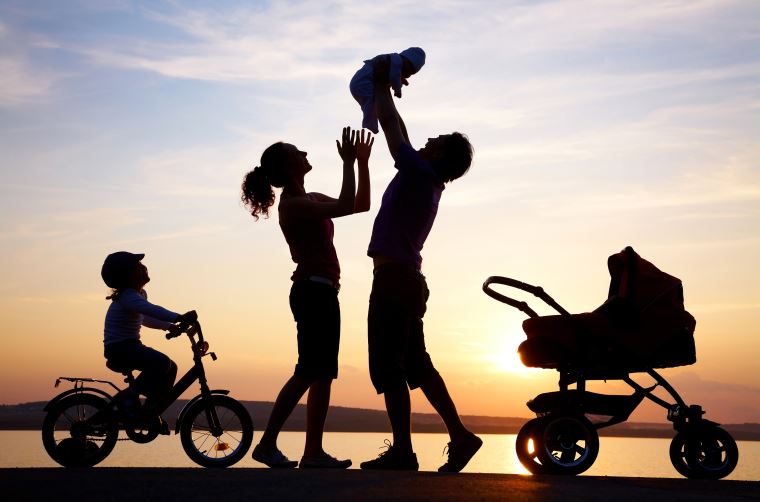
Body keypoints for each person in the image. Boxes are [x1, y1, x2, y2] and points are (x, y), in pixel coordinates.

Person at [359, 80, 481, 473]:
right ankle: (461, 437)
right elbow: (401, 128)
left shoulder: (417, 173)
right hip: (408, 280)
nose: (430, 137)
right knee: (417, 365)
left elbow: (395, 131)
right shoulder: (427, 178)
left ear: (441, 154)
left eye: (439, 138)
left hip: (395, 281)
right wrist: (383, 91)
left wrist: (380, 83)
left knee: (390, 368)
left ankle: (403, 452)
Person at [241, 126, 373, 469]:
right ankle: (267, 444)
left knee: (323, 373)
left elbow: (360, 205)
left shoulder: (310, 197)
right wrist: (348, 163)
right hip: (312, 290)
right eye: (298, 152)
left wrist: (362, 162)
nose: (306, 154)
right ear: (287, 167)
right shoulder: (295, 204)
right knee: (307, 371)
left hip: (324, 290)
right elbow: (347, 202)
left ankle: (313, 452)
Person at [101, 251, 190, 413]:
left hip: (129, 346)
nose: (143, 268)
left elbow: (145, 317)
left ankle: (151, 411)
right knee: (162, 363)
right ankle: (131, 395)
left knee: (171, 367)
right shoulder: (128, 296)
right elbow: (150, 310)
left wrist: (169, 326)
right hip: (120, 349)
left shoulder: (139, 295)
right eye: (138, 266)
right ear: (127, 275)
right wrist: (178, 317)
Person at [350, 47, 425, 134]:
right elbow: (394, 77)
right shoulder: (396, 61)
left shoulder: (393, 61)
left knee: (371, 104)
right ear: (405, 59)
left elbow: (394, 75)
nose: (408, 74)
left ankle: (371, 121)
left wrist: (399, 80)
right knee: (370, 103)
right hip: (362, 82)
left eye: (412, 73)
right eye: (409, 70)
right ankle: (370, 123)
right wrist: (398, 90)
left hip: (362, 81)